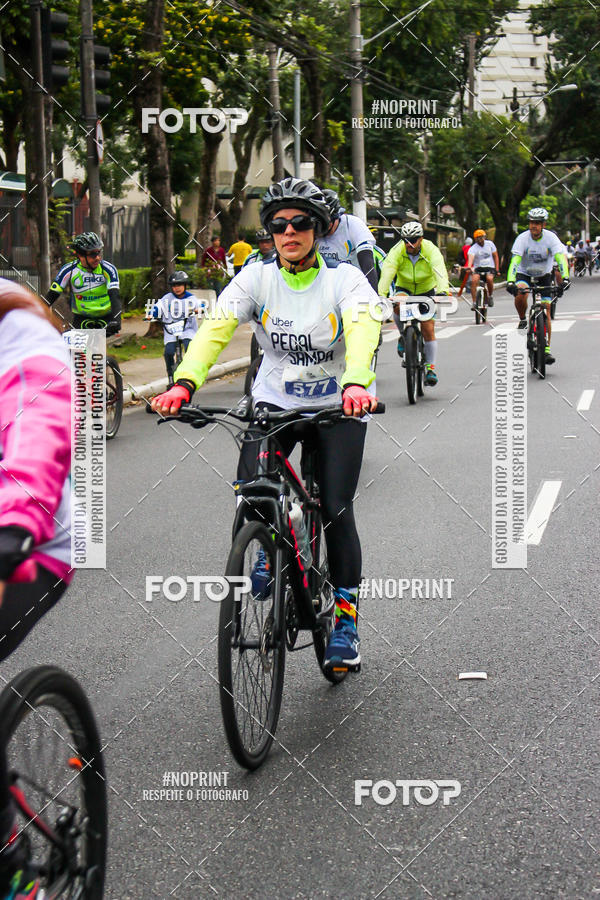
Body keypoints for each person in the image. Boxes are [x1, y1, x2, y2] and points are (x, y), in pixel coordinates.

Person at [152, 177, 381, 672]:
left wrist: (356, 383)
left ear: (318, 229)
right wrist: (184, 383)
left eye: (300, 223)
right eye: (279, 225)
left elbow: (364, 328)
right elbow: (215, 328)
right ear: (271, 233)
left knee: (336, 508)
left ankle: (345, 622)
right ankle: (265, 546)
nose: (289, 232)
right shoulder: (255, 278)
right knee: (252, 492)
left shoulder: (344, 280)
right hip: (274, 403)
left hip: (337, 406)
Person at [0, 279, 72, 900]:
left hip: (29, 537)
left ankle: (13, 867)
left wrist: (16, 518)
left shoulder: (13, 325)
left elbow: (40, 408)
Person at [377, 221, 451, 386]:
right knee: (398, 305)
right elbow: (388, 272)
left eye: (413, 240)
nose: (409, 244)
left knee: (428, 328)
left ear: (421, 239)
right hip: (405, 288)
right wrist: (381, 294)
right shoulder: (397, 250)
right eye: (406, 240)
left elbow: (439, 270)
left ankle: (430, 368)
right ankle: (403, 336)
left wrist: (443, 291)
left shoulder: (430, 249)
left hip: (426, 290)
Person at [506, 207, 569, 364]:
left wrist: (565, 278)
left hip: (544, 275)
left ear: (543, 225)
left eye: (537, 223)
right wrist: (510, 281)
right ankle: (522, 319)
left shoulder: (551, 238)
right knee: (521, 293)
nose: (533, 226)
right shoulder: (522, 238)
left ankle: (546, 350)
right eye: (531, 222)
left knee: (546, 309)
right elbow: (515, 261)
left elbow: (560, 258)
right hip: (524, 273)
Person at [46, 231, 121, 333]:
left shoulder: (108, 269)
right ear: (80, 255)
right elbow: (50, 297)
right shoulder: (69, 270)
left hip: (106, 319)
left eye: (98, 252)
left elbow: (115, 296)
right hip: (82, 319)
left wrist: (117, 321)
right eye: (92, 254)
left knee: (104, 342)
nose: (97, 258)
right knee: (70, 342)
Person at [147, 271, 205, 386]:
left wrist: (199, 309)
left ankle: (191, 373)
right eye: (174, 286)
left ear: (185, 285)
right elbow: (157, 307)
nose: (177, 288)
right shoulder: (167, 298)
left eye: (179, 285)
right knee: (168, 353)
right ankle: (170, 376)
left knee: (189, 348)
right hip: (171, 330)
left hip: (187, 329)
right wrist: (151, 314)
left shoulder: (191, 298)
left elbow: (201, 305)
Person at [316, 188, 379, 291]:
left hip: (357, 281)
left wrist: (373, 296)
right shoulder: (310, 230)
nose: (320, 228)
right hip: (330, 285)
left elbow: (367, 265)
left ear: (336, 216)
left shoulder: (353, 225)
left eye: (325, 223)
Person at [467, 229, 500, 309]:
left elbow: (495, 257)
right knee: (474, 281)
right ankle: (474, 302)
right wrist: (469, 267)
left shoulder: (490, 244)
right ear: (475, 239)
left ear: (484, 237)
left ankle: (490, 296)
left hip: (489, 267)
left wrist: (497, 269)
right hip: (478, 268)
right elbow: (471, 258)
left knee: (489, 279)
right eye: (477, 238)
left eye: (481, 237)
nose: (480, 240)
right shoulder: (473, 248)